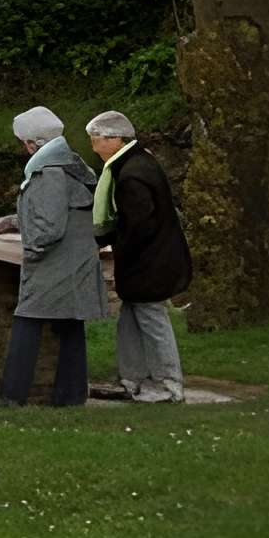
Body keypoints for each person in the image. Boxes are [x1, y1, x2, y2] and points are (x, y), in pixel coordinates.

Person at [0, 106, 108, 406]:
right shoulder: (71, 164)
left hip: (54, 263)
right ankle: (71, 396)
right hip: (76, 259)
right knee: (70, 324)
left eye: (23, 142)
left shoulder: (48, 172)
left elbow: (50, 227)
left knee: (26, 322)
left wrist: (32, 249)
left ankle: (12, 397)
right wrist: (17, 221)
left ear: (32, 143)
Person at [86, 110, 189, 403]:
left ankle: (170, 383)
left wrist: (112, 244)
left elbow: (138, 224)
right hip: (149, 258)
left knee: (152, 317)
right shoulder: (138, 162)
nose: (94, 147)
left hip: (148, 261)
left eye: (97, 140)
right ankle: (131, 377)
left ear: (116, 139)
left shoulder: (131, 174)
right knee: (130, 316)